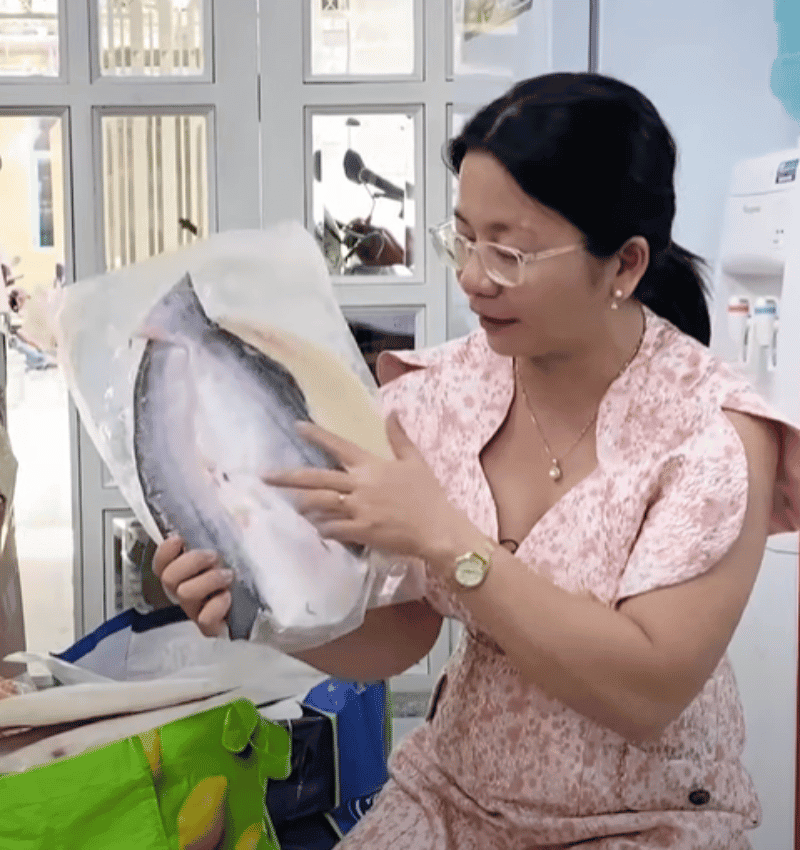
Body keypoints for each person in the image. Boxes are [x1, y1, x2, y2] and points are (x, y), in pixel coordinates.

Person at [153, 73, 800, 848]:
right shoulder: (440, 396)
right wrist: (254, 609)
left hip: (646, 819)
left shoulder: (711, 434)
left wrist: (448, 539)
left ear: (624, 266)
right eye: (462, 239)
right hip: (454, 797)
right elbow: (400, 635)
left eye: (511, 253)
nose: (471, 277)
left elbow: (646, 692)